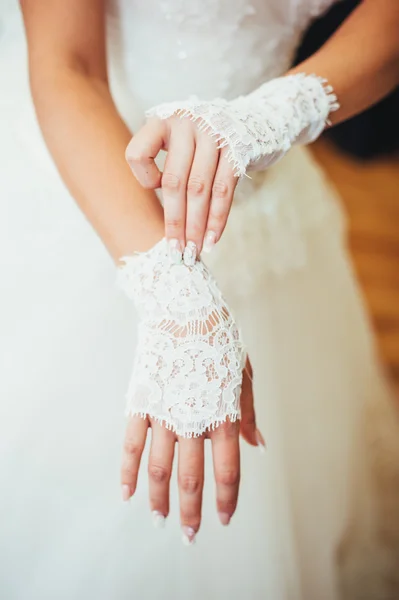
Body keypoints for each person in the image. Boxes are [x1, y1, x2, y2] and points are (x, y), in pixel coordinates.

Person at [1, 1, 399, 598]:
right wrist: (173, 291)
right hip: (96, 192)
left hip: (270, 205)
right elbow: (67, 64)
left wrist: (276, 111)